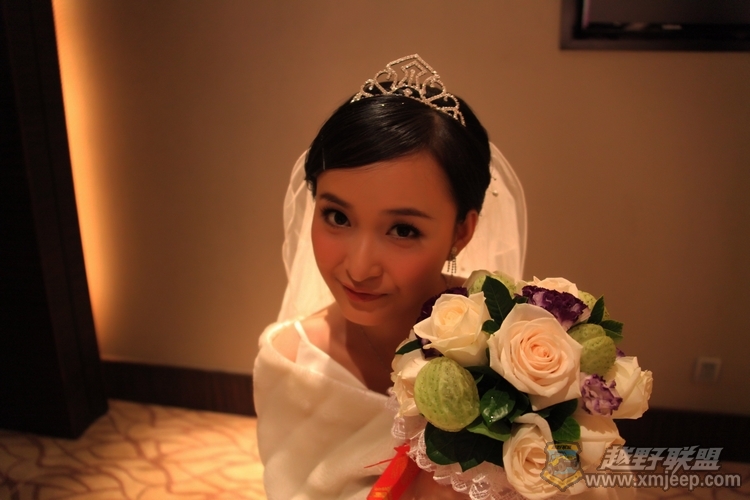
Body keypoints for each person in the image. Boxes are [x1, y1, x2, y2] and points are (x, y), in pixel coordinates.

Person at [253, 55, 527, 500]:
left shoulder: (515, 346)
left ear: (461, 231)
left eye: (403, 230)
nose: (359, 268)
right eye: (337, 217)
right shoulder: (290, 363)